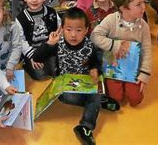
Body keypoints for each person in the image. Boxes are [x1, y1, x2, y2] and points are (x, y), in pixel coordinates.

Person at [32, 8, 108, 145]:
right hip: (66, 87)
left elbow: (95, 62)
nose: (73, 34)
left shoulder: (90, 45)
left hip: (85, 84)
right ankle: (97, 103)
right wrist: (49, 44)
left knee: (96, 92)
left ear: (86, 30)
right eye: (68, 29)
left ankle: (85, 126)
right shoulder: (58, 44)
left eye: (78, 30)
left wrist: (94, 69)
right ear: (62, 29)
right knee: (69, 97)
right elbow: (37, 57)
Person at [91, 0, 152, 107]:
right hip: (113, 65)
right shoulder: (111, 19)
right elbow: (94, 36)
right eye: (138, 4)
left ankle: (126, 84)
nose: (143, 7)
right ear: (123, 8)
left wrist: (144, 73)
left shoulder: (143, 25)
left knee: (135, 100)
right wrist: (115, 45)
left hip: (133, 67)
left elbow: (147, 50)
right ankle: (113, 83)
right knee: (115, 98)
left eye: (143, 2)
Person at [17, 0, 60, 80]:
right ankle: (26, 64)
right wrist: (32, 56)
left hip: (50, 49)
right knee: (41, 76)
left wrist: (56, 43)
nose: (34, 0)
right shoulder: (21, 18)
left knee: (55, 73)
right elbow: (21, 40)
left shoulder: (52, 12)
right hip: (33, 52)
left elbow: (59, 29)